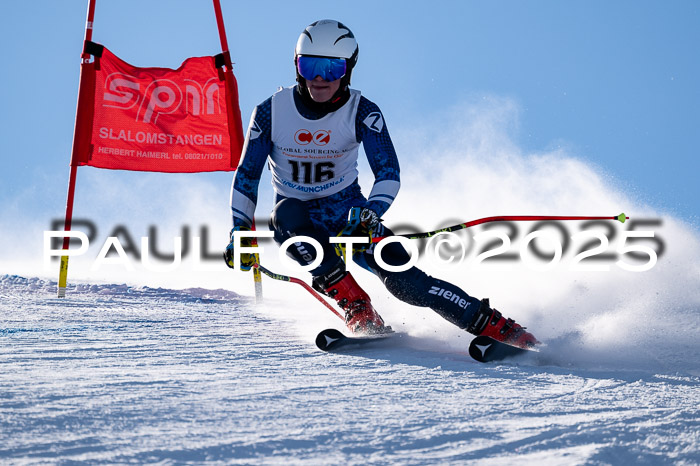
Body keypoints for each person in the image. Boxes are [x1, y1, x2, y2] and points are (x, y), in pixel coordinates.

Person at [225, 19, 537, 348]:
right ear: (296, 66)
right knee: (285, 214)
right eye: (309, 65)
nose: (319, 78)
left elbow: (388, 172)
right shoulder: (271, 112)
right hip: (299, 221)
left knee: (408, 285)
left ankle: (501, 329)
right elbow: (248, 175)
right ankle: (360, 310)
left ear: (348, 70)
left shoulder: (363, 111)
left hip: (353, 217)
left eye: (332, 69)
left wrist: (372, 212)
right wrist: (239, 232)